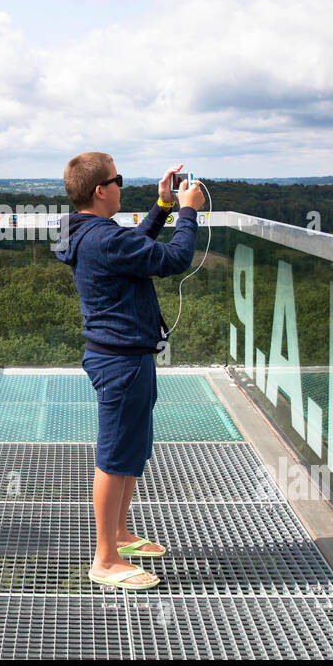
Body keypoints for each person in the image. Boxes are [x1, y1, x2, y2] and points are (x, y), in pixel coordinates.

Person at [56, 154, 203, 589]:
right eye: (117, 180)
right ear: (101, 190)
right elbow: (174, 259)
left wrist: (162, 208)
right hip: (121, 360)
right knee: (115, 455)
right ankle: (104, 559)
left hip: (121, 354)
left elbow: (129, 249)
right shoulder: (103, 239)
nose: (121, 185)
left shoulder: (81, 230)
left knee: (131, 450)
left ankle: (118, 535)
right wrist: (189, 209)